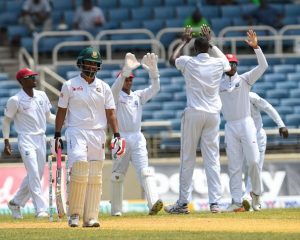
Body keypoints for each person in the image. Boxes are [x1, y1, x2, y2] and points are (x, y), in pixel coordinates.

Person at [54, 46, 125, 227]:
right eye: (89, 63)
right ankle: (75, 215)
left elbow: (111, 113)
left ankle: (91, 217)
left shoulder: (104, 87)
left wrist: (116, 134)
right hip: (76, 130)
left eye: (95, 64)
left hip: (98, 133)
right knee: (79, 165)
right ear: (81, 63)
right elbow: (61, 112)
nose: (92, 67)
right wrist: (57, 135)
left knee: (95, 173)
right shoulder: (69, 85)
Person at [164, 25, 231, 214]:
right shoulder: (218, 64)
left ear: (194, 49)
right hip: (212, 115)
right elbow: (227, 64)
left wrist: (183, 41)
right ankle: (215, 204)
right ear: (208, 47)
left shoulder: (188, 62)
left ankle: (183, 203)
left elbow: (171, 60)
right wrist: (212, 43)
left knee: (187, 158)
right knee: (212, 159)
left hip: (194, 113)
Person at [219, 29, 268, 212]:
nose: (231, 66)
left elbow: (263, 66)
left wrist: (256, 48)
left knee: (254, 161)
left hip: (246, 124)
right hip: (230, 127)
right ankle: (237, 202)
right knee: (234, 166)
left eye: (233, 63)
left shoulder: (246, 79)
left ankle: (256, 195)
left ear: (237, 65)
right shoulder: (219, 84)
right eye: (228, 63)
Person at [110, 53, 163, 216]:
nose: (129, 81)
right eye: (127, 79)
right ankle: (116, 210)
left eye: (131, 78)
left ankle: (153, 203)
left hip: (137, 137)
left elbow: (155, 89)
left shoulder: (138, 96)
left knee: (145, 171)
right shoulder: (115, 96)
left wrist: (154, 74)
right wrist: (124, 72)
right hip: (122, 138)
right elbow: (114, 89)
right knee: (118, 175)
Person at [2, 68, 56, 219]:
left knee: (36, 174)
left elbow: (48, 117)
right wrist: (6, 141)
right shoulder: (15, 100)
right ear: (22, 81)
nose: (34, 78)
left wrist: (63, 122)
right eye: (30, 77)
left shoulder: (42, 95)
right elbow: (6, 121)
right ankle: (41, 209)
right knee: (33, 172)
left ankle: (15, 202)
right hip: (25, 139)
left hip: (41, 138)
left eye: (34, 76)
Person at [242, 92, 289, 210]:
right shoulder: (230, 97)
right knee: (246, 169)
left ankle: (248, 196)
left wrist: (281, 124)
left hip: (257, 136)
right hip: (242, 137)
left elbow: (267, 107)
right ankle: (253, 199)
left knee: (255, 165)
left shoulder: (250, 96)